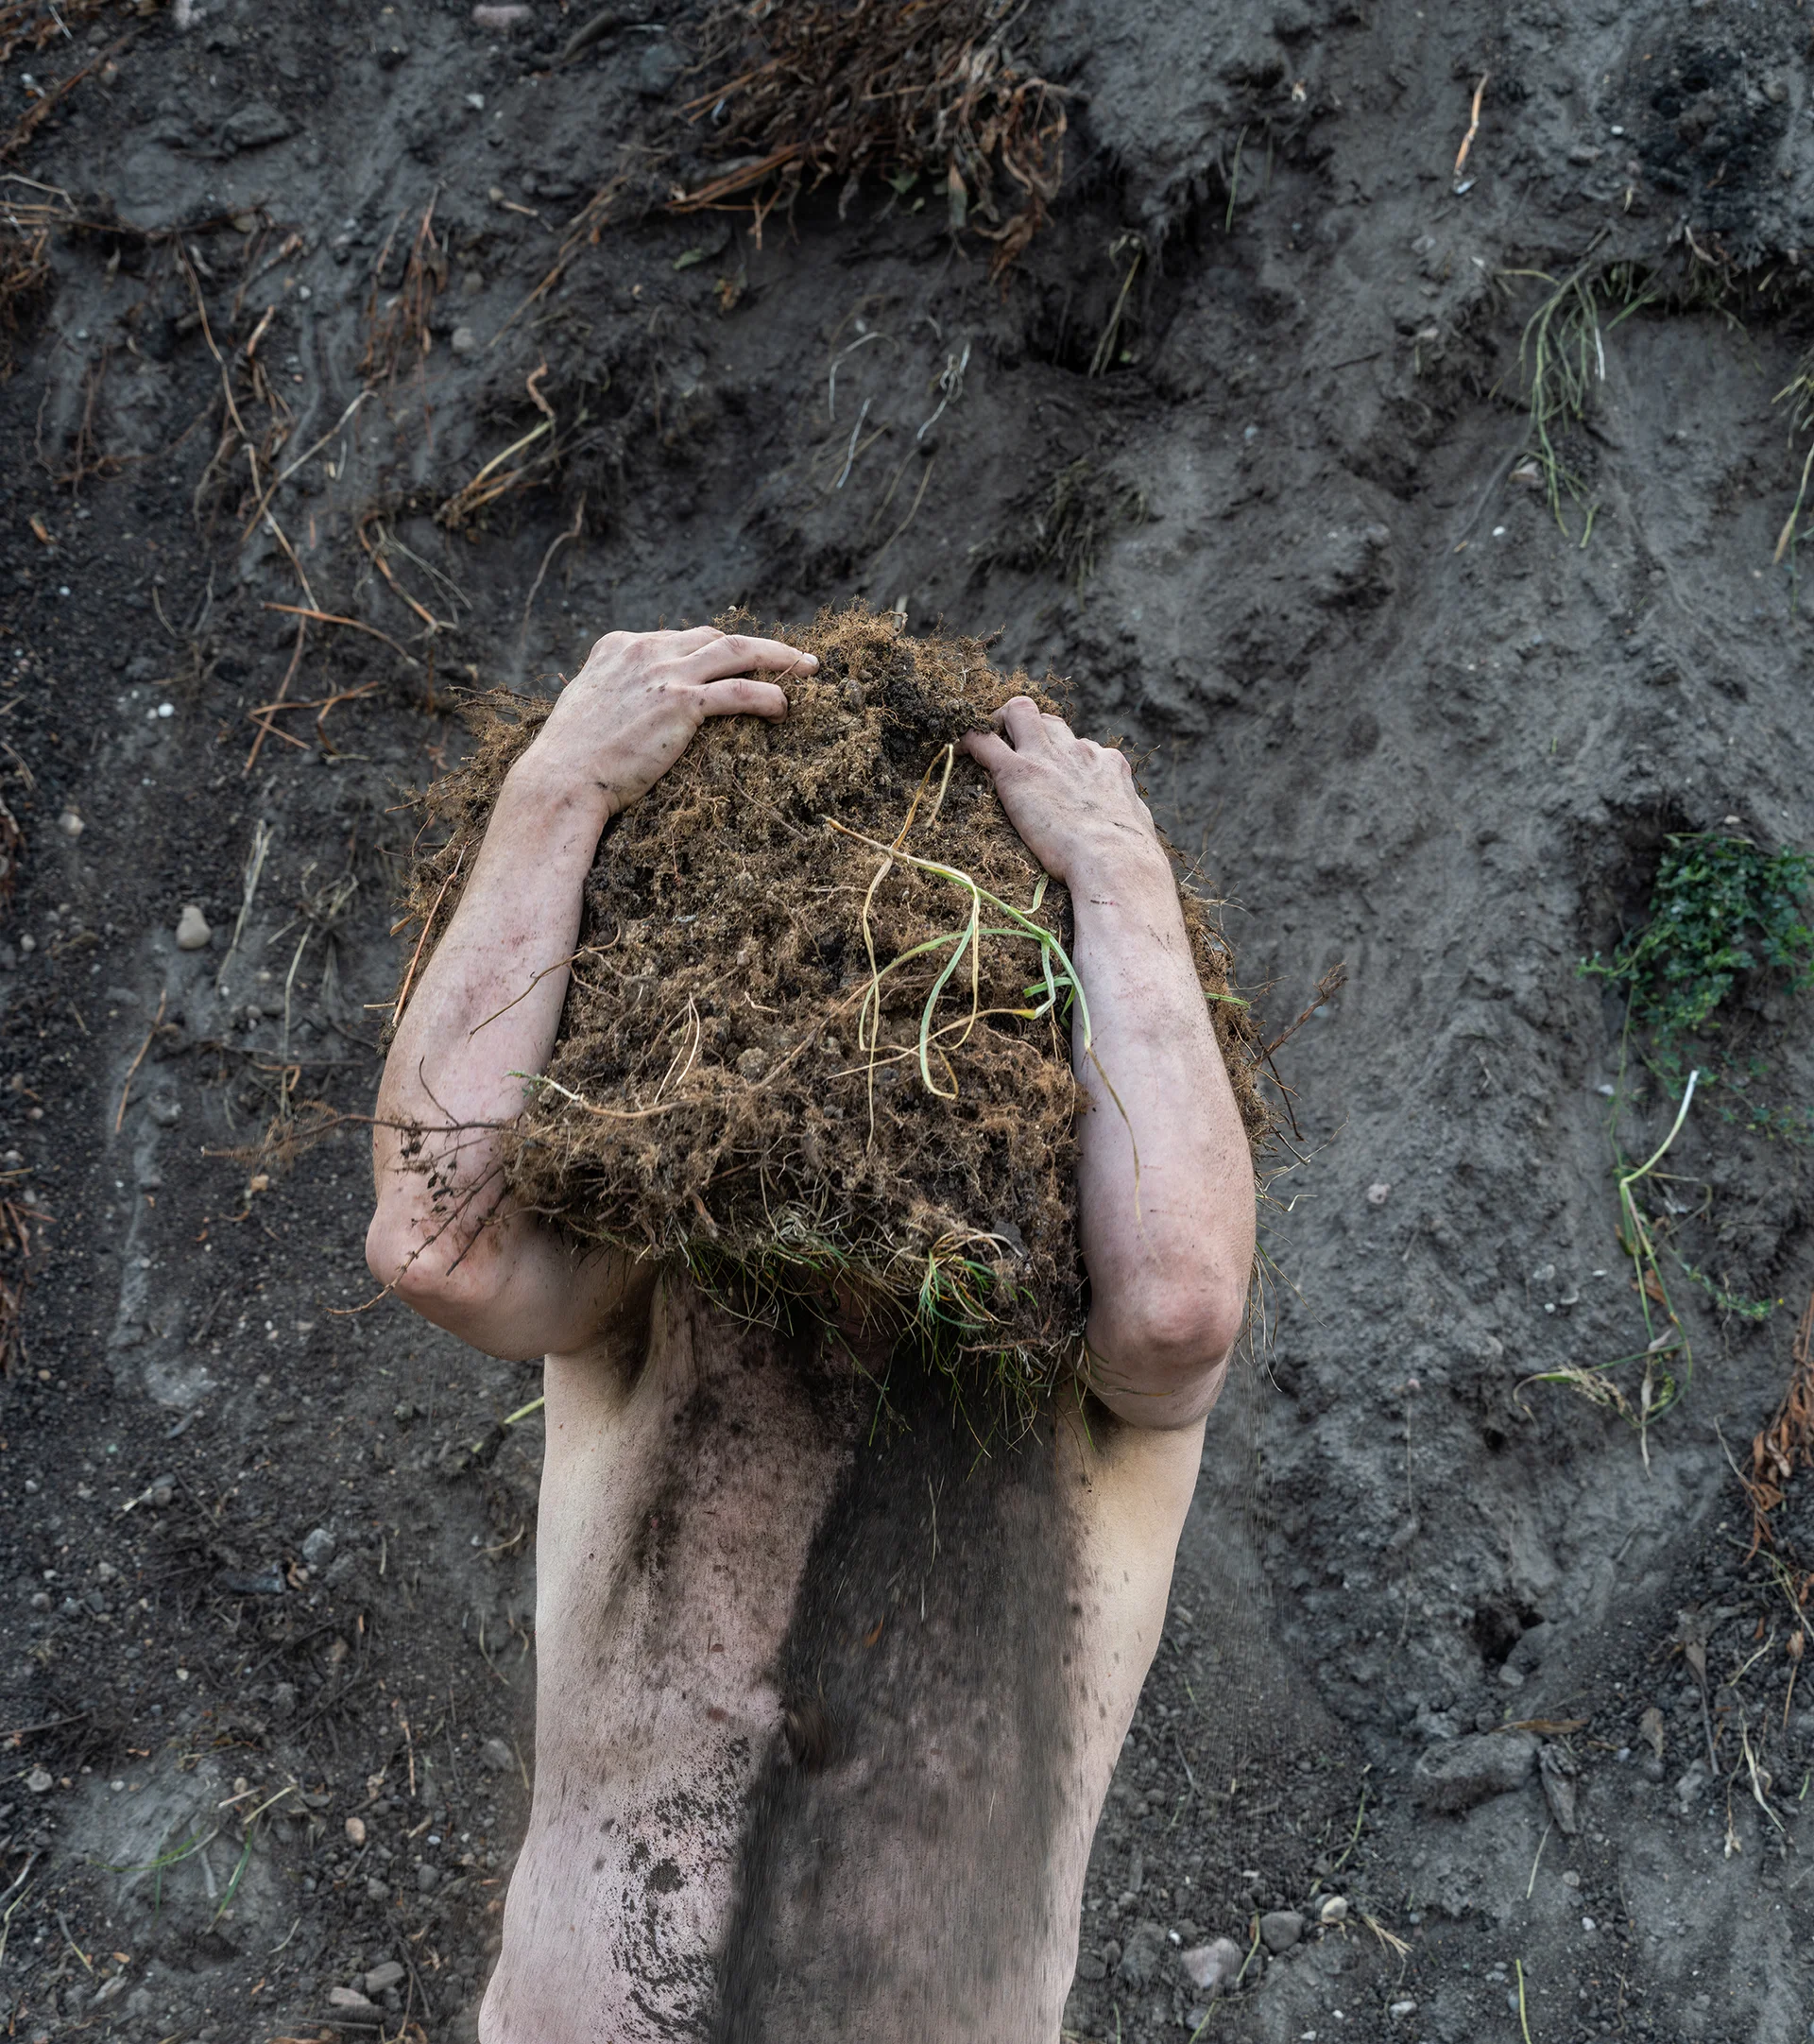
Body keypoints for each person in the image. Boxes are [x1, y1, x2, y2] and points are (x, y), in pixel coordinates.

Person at [365, 627, 1257, 2044]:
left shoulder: (1088, 1379)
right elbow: (437, 1234)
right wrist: (560, 790)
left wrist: (1118, 875)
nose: (858, 1034)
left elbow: (1181, 1300)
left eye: (920, 993)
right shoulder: (653, 1284)